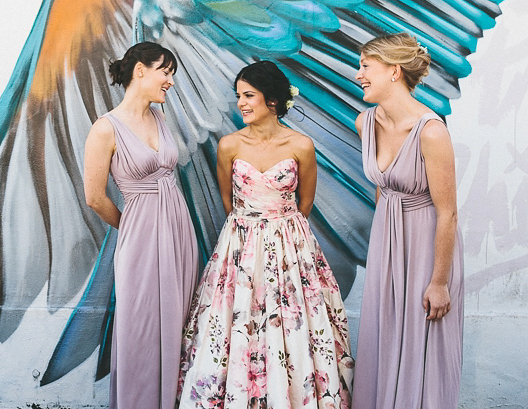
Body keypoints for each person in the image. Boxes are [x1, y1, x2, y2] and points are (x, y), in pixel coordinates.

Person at [178, 60, 354, 409]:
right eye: (238, 95)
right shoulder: (229, 145)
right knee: (236, 323)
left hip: (291, 247)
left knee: (293, 325)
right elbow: (230, 203)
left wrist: (280, 235)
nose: (241, 103)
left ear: (272, 101)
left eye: (248, 95)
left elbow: (304, 203)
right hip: (240, 246)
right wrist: (252, 236)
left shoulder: (301, 145)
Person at [351, 33, 464, 409]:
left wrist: (439, 282)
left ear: (394, 71)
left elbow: (447, 212)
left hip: (426, 248)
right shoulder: (364, 123)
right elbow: (385, 191)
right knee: (384, 339)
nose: (358, 75)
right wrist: (386, 244)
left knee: (422, 345)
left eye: (366, 66)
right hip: (388, 242)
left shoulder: (431, 132)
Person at [84, 41, 199, 409]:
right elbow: (94, 197)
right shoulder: (106, 129)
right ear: (140, 71)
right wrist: (133, 227)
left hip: (179, 234)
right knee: (141, 329)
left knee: (178, 324)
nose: (170, 81)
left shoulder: (158, 117)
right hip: (141, 238)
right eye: (165, 72)